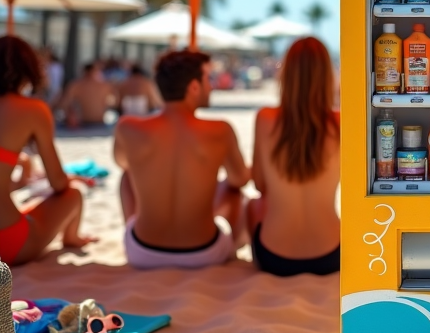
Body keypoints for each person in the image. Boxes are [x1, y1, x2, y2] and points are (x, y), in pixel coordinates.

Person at [114, 50, 249, 269]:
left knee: (127, 177)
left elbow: (123, 164)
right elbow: (240, 179)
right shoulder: (220, 130)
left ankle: (141, 229)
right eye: (208, 80)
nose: (211, 86)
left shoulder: (127, 128)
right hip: (204, 253)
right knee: (233, 191)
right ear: (194, 86)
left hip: (142, 253)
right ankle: (232, 248)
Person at [245, 38, 340, 276]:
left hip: (275, 258)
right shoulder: (341, 123)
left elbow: (259, 185)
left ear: (286, 74)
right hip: (331, 255)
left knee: (253, 205)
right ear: (327, 76)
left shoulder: (265, 119)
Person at [0, 36, 95, 265]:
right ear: (29, 68)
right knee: (73, 193)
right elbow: (58, 183)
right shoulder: (33, 110)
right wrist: (69, 178)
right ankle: (72, 238)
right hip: (7, 242)